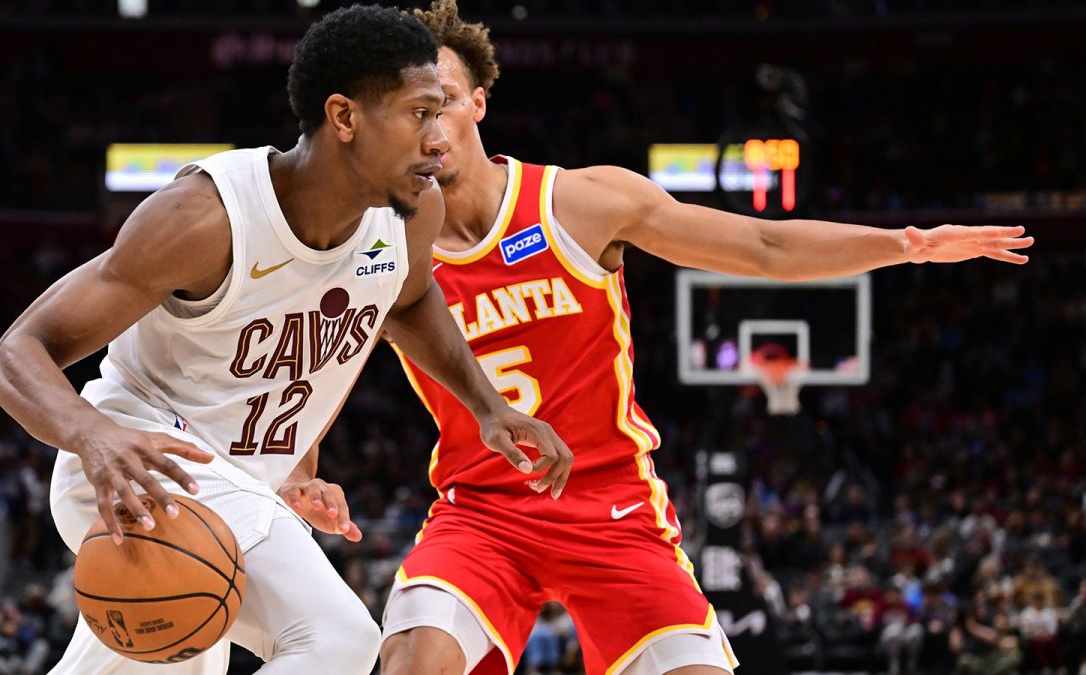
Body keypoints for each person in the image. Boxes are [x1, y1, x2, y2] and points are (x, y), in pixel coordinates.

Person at [377, 2, 1034, 674]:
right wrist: (306, 469)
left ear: (479, 103)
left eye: (446, 101)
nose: (433, 127)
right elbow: (320, 348)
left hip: (613, 509)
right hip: (483, 514)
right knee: (415, 659)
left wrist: (909, 245)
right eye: (413, 110)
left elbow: (767, 244)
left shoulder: (575, 204)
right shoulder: (383, 247)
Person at [0, 6, 570, 675]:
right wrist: (93, 435)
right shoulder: (207, 217)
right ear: (344, 117)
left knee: (168, 654)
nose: (440, 139)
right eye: (417, 113)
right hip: (147, 460)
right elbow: (13, 356)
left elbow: (408, 301)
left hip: (235, 485)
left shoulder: (410, 211)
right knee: (336, 636)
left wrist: (487, 405)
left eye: (441, 113)